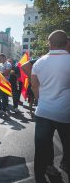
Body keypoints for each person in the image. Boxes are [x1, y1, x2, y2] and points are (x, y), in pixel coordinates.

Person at [31, 30, 70, 182]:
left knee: (41, 150)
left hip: (43, 112)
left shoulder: (40, 62)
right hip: (65, 114)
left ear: (49, 43)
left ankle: (39, 177)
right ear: (66, 43)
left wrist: (41, 99)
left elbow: (35, 87)